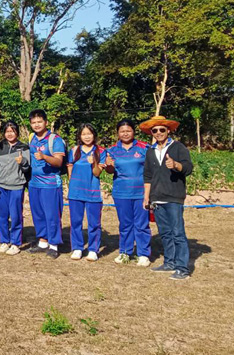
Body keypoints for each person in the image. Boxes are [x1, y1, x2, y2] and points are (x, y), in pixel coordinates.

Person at [141, 115, 194, 280]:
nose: (158, 133)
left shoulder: (178, 147)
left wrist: (176, 165)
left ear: (168, 130)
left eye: (161, 130)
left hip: (173, 197)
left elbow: (188, 167)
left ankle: (182, 268)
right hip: (157, 198)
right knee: (165, 233)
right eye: (154, 130)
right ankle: (169, 262)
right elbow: (148, 176)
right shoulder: (150, 151)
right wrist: (146, 198)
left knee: (178, 233)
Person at [102, 119, 151, 266]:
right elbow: (110, 170)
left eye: (128, 130)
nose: (125, 133)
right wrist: (108, 166)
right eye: (122, 131)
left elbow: (151, 169)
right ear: (117, 133)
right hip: (121, 193)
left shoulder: (144, 148)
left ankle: (143, 254)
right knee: (125, 224)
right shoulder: (111, 150)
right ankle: (125, 252)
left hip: (141, 193)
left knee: (142, 224)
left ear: (133, 131)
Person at [27, 109, 66, 259]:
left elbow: (58, 161)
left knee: (52, 215)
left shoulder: (54, 139)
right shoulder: (32, 139)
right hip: (34, 183)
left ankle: (54, 244)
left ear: (46, 122)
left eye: (39, 121)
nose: (37, 125)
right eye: (34, 122)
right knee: (38, 214)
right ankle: (43, 241)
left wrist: (44, 157)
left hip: (50, 183)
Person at [0, 121, 30, 256]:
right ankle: (4, 241)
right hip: (0, 187)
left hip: (16, 187)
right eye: (7, 131)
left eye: (12, 131)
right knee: (1, 216)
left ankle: (16, 243)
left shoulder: (24, 148)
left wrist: (22, 162)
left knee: (16, 215)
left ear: (17, 132)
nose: (10, 133)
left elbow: (27, 168)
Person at [66, 124, 106, 261]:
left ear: (94, 135)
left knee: (94, 223)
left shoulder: (100, 151)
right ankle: (77, 248)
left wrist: (93, 163)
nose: (87, 137)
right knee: (76, 221)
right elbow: (69, 165)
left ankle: (93, 249)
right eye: (84, 134)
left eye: (89, 134)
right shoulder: (75, 150)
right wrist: (72, 181)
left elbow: (97, 173)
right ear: (79, 136)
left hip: (92, 193)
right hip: (75, 193)